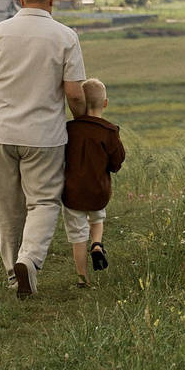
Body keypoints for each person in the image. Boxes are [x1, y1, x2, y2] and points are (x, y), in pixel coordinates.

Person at [0, 0, 85, 298]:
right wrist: (84, 123)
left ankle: (12, 276)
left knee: (8, 207)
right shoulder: (65, 36)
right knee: (44, 201)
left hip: (1, 132)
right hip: (44, 135)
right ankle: (30, 262)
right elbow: (75, 93)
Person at [60, 77, 125, 288]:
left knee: (78, 235)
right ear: (105, 103)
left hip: (72, 193)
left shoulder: (68, 129)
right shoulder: (109, 132)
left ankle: (83, 279)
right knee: (97, 218)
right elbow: (116, 163)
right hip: (98, 191)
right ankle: (97, 244)